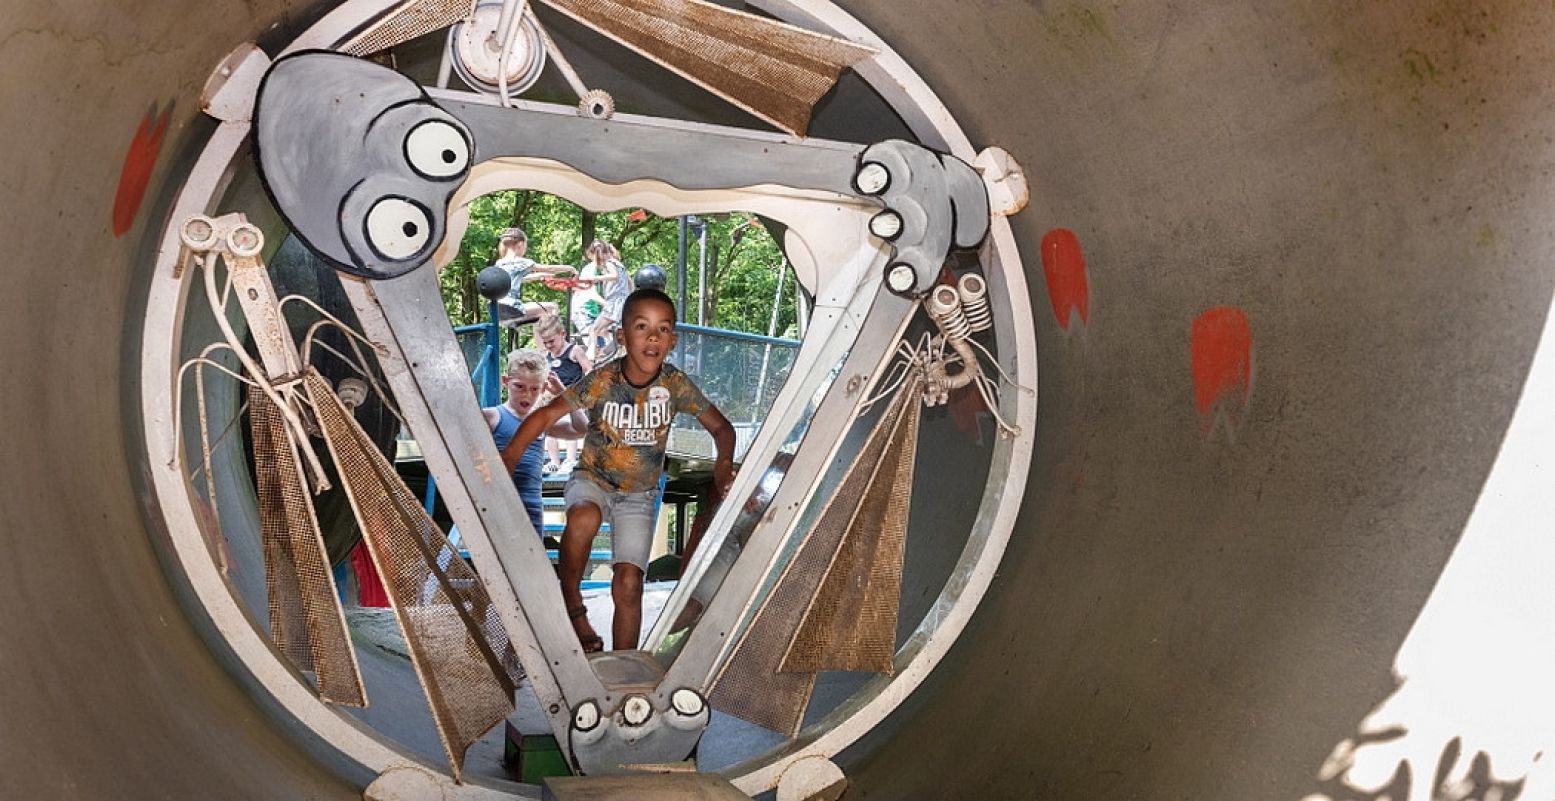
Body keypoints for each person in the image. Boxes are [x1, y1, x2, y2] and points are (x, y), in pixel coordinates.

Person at [502, 289, 735, 652]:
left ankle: (625, 663)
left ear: (672, 340)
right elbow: (546, 415)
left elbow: (722, 429)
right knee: (583, 518)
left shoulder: (675, 385)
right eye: (642, 327)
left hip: (638, 496)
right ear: (623, 337)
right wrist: (510, 459)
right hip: (592, 480)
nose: (653, 337)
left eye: (663, 329)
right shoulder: (602, 380)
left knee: (628, 584)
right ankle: (571, 602)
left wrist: (722, 469)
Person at [483, 349, 587, 537]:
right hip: (498, 504)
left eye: (534, 389)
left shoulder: (542, 422)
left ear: (544, 387)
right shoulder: (492, 416)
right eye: (520, 387)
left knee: (532, 562)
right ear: (506, 382)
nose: (527, 395)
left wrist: (565, 394)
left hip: (531, 506)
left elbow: (581, 428)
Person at [533, 313, 592, 474]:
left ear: (563, 334)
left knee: (569, 420)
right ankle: (553, 460)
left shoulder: (574, 351)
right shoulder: (547, 356)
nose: (549, 346)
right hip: (553, 397)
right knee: (549, 425)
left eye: (551, 341)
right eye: (546, 343)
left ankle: (571, 459)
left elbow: (588, 369)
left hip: (571, 395)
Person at [492, 227, 574, 326]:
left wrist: (539, 276)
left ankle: (542, 338)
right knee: (552, 307)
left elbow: (516, 280)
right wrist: (570, 268)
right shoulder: (521, 261)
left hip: (497, 310)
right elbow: (549, 268)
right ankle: (551, 339)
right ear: (520, 244)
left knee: (540, 319)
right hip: (513, 309)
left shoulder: (499, 263)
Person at [581, 240, 631, 360]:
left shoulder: (609, 263)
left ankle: (591, 354)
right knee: (608, 331)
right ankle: (609, 353)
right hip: (624, 302)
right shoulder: (619, 264)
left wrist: (597, 278)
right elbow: (629, 282)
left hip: (614, 303)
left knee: (594, 329)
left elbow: (614, 276)